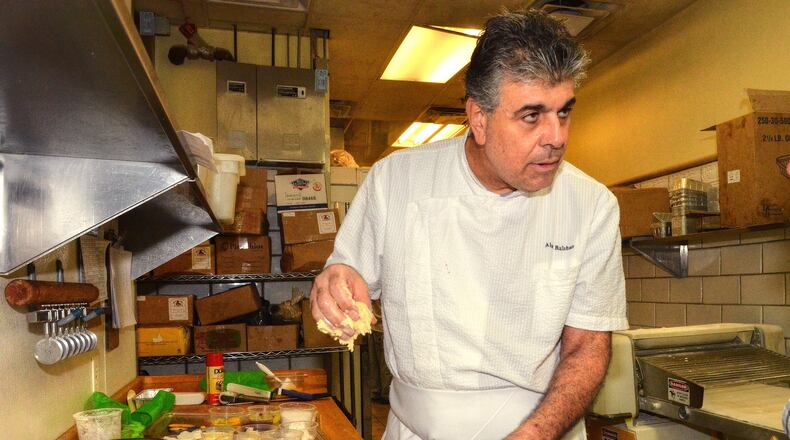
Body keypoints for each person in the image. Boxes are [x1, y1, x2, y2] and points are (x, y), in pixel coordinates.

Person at [311, 9, 628, 440]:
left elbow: (588, 346)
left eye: (564, 112)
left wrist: (534, 434)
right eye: (532, 116)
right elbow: (348, 278)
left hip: (539, 428)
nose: (557, 136)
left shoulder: (592, 206)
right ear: (479, 118)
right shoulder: (395, 181)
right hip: (416, 428)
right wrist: (335, 285)